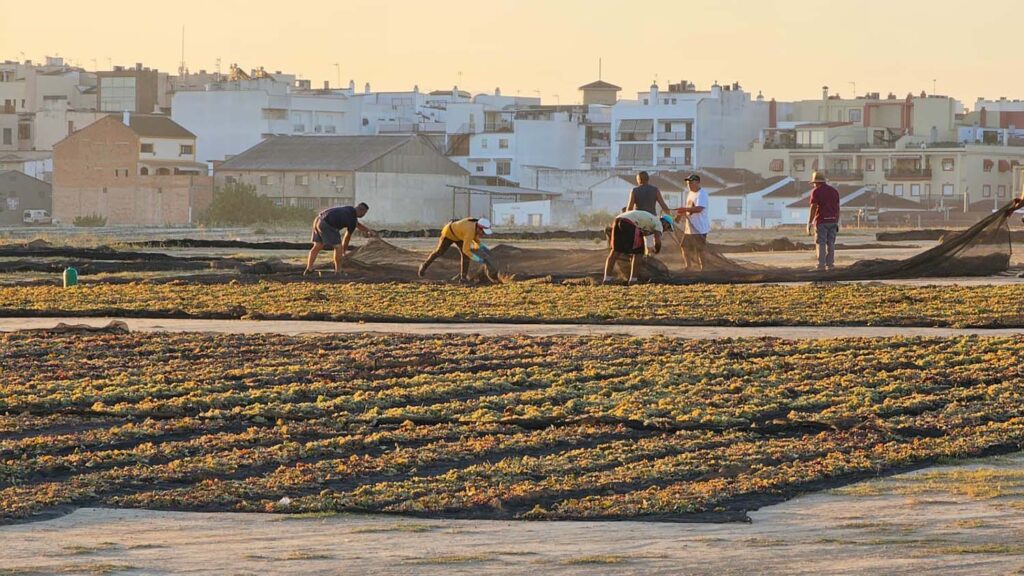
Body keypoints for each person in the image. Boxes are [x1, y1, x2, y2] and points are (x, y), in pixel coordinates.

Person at [604, 210, 674, 284]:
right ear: (664, 222)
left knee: (615, 252)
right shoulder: (659, 223)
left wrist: (650, 251)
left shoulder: (650, 222)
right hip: (629, 223)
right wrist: (657, 249)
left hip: (618, 220)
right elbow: (657, 241)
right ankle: (633, 280)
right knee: (639, 252)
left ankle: (607, 279)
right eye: (668, 227)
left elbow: (649, 244)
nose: (666, 230)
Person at [304, 203, 374, 275]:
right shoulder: (352, 219)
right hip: (327, 224)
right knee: (338, 247)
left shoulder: (349, 209)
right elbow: (347, 237)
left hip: (318, 220)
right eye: (365, 213)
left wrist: (368, 230)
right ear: (361, 211)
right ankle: (338, 271)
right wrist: (343, 252)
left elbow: (357, 224)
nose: (364, 215)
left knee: (318, 246)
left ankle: (309, 269)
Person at [418, 217, 494, 281]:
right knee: (439, 252)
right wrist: (480, 260)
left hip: (459, 235)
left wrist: (487, 251)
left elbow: (477, 241)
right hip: (448, 233)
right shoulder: (469, 231)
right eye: (483, 232)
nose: (483, 234)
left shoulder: (475, 227)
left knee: (465, 256)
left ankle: (463, 278)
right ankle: (424, 266)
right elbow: (466, 250)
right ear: (479, 228)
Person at [627, 171, 672, 254]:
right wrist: (670, 217)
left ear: (639, 180)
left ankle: (642, 258)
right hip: (651, 219)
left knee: (639, 242)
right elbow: (664, 206)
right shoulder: (655, 190)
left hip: (638, 219)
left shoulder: (634, 191)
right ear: (648, 179)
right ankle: (650, 255)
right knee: (650, 241)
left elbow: (629, 208)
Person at [806, 171, 841, 271]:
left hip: (821, 221)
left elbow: (813, 207)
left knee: (820, 242)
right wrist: (836, 221)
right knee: (831, 243)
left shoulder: (816, 191)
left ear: (815, 182)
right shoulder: (834, 191)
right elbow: (838, 208)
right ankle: (830, 264)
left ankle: (821, 265)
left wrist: (809, 222)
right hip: (833, 221)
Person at [675, 174, 710, 271]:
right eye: (687, 183)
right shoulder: (690, 193)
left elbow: (699, 209)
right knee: (684, 247)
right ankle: (688, 267)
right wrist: (679, 215)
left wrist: (684, 209)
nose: (689, 184)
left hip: (699, 228)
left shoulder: (702, 194)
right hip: (689, 228)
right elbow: (687, 208)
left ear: (697, 182)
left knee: (700, 249)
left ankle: (704, 268)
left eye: (691, 182)